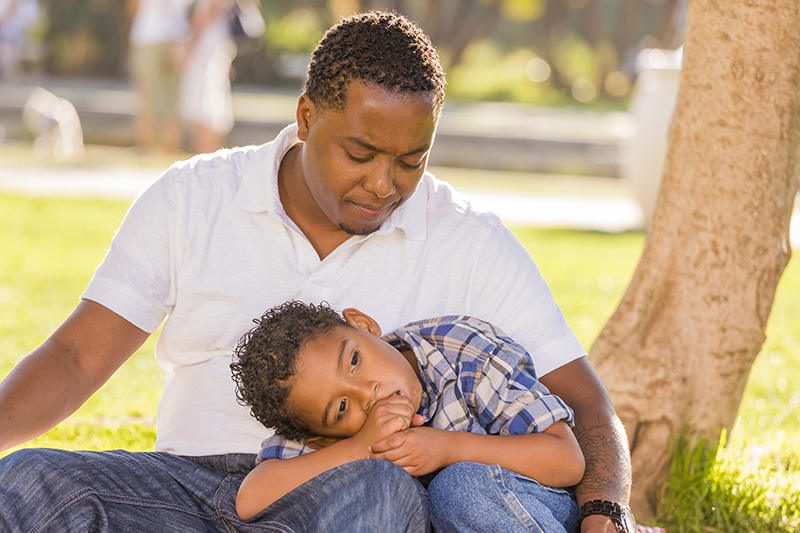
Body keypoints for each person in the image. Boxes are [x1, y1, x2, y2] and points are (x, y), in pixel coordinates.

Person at [0, 11, 632, 533]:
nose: (384, 185)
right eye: (360, 154)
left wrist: (605, 514)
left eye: (410, 161)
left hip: (347, 498)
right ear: (306, 119)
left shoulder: (468, 240)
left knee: (383, 493)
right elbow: (74, 359)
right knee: (29, 483)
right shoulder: (194, 195)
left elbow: (585, 407)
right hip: (186, 491)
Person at [231, 301, 585, 531]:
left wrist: (448, 448)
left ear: (364, 325)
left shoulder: (459, 350)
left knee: (458, 486)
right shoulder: (322, 425)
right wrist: (361, 447)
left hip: (528, 508)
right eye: (341, 409)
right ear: (320, 436)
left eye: (354, 361)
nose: (367, 392)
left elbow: (567, 460)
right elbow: (251, 500)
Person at [127, 0, 190, 153]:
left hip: (149, 37)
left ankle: (145, 146)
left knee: (148, 96)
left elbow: (134, 6)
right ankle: (170, 148)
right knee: (172, 99)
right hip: (177, 38)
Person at [180, 0, 237, 153]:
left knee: (203, 102)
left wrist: (191, 45)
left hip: (207, 46)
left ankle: (203, 150)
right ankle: (210, 151)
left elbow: (206, 15)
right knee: (213, 98)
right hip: (220, 45)